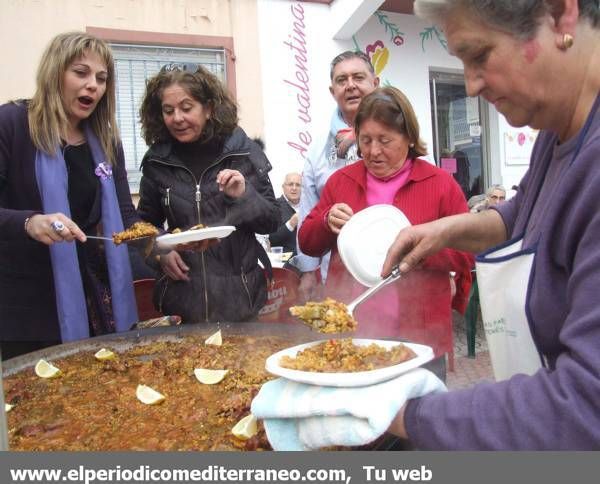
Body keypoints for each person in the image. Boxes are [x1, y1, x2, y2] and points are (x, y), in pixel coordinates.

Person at [380, 0, 600, 449]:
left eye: (479, 56)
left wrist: (402, 413)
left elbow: (585, 408)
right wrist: (446, 229)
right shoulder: (557, 131)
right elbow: (526, 213)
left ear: (560, 15)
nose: (471, 85)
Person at [298, 86, 473, 366]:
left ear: (409, 138)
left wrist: (422, 251)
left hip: (420, 336)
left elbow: (466, 251)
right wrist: (325, 221)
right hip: (352, 333)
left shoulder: (440, 184)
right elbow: (307, 242)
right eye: (365, 140)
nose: (373, 151)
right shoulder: (341, 182)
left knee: (421, 409)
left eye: (385, 140)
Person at [0, 32, 139, 359]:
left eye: (101, 78)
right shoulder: (12, 124)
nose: (93, 85)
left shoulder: (106, 140)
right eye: (81, 73)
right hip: (24, 310)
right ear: (54, 73)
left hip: (96, 305)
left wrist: (161, 245)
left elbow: (125, 218)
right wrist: (30, 223)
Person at [137, 63, 279, 324]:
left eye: (186, 108)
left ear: (209, 108)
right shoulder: (158, 161)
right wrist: (159, 253)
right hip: (181, 303)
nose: (177, 118)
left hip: (241, 303)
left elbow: (271, 221)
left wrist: (244, 194)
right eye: (168, 111)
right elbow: (143, 224)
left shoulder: (243, 152)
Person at [294, 50, 379, 301]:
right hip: (339, 279)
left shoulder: (402, 139)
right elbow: (308, 212)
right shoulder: (319, 150)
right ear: (333, 92)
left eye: (358, 77)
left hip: (393, 272)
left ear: (375, 83)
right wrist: (308, 272)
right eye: (342, 80)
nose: (350, 86)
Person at [268, 172, 301, 256]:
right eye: (290, 184)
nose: (294, 188)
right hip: (284, 262)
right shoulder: (274, 206)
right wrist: (291, 224)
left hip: (308, 261)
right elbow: (272, 239)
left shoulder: (309, 206)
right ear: (283, 187)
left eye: (298, 185)